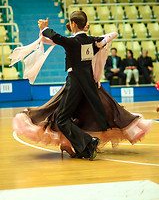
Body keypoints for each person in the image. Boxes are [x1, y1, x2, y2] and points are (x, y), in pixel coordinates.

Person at [12, 12, 153, 160]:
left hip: (75, 83)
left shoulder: (73, 42)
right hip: (88, 85)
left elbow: (56, 37)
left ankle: (88, 142)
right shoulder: (91, 41)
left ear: (73, 24)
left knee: (61, 118)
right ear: (84, 25)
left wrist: (44, 28)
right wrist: (100, 40)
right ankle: (83, 148)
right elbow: (114, 33)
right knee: (72, 115)